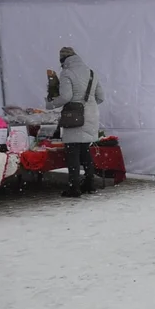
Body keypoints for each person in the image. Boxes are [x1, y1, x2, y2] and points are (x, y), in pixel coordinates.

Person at [46, 47, 105, 198]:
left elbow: (66, 96)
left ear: (63, 60)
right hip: (91, 115)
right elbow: (101, 97)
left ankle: (74, 188)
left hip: (75, 116)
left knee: (72, 153)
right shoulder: (91, 72)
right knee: (85, 151)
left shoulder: (67, 72)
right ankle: (90, 184)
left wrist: (50, 104)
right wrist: (88, 104)